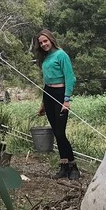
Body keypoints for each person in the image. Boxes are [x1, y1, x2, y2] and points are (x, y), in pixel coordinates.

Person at [33, 29, 79, 180]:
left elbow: (70, 78)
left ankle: (73, 166)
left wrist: (67, 99)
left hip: (60, 95)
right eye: (41, 43)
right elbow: (46, 81)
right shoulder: (46, 58)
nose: (44, 44)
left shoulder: (61, 55)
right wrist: (43, 104)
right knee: (56, 132)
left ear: (51, 40)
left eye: (45, 41)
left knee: (60, 132)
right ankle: (63, 165)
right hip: (48, 94)